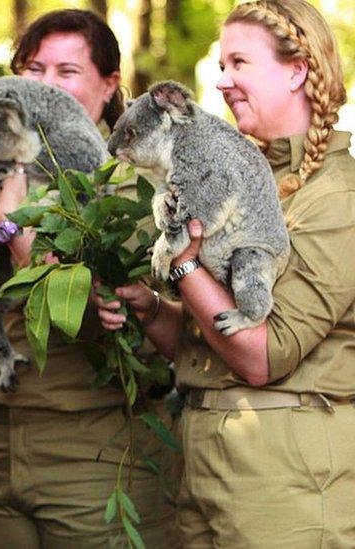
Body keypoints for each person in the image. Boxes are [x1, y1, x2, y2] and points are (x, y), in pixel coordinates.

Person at [97, 0, 354, 546]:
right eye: (220, 66)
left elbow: (261, 355)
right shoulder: (228, 163)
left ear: (297, 70)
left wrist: (184, 260)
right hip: (204, 468)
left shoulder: (337, 198)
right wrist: (152, 310)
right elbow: (202, 346)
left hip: (285, 486)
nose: (222, 82)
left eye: (239, 64)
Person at [0, 9, 179, 548]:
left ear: (109, 85)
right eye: (33, 69)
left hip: (96, 455)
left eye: (66, 72)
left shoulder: (137, 191)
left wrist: (15, 230)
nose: (44, 87)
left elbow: (134, 328)